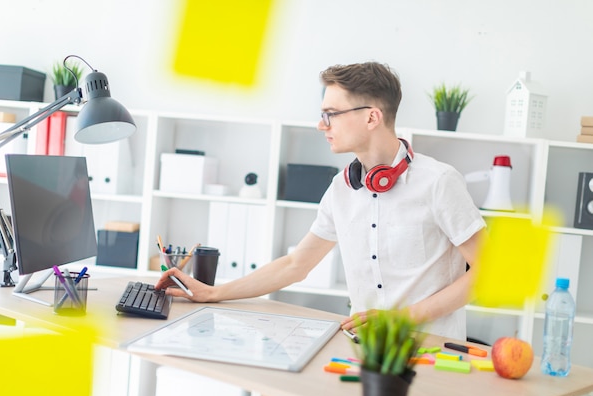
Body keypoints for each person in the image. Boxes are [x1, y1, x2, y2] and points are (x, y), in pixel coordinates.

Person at [156, 61, 486, 340]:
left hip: (430, 352)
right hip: (365, 348)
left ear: (372, 118)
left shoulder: (439, 182)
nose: (321, 125)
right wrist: (211, 292)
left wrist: (404, 317)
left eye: (331, 114)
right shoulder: (340, 190)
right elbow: (296, 264)